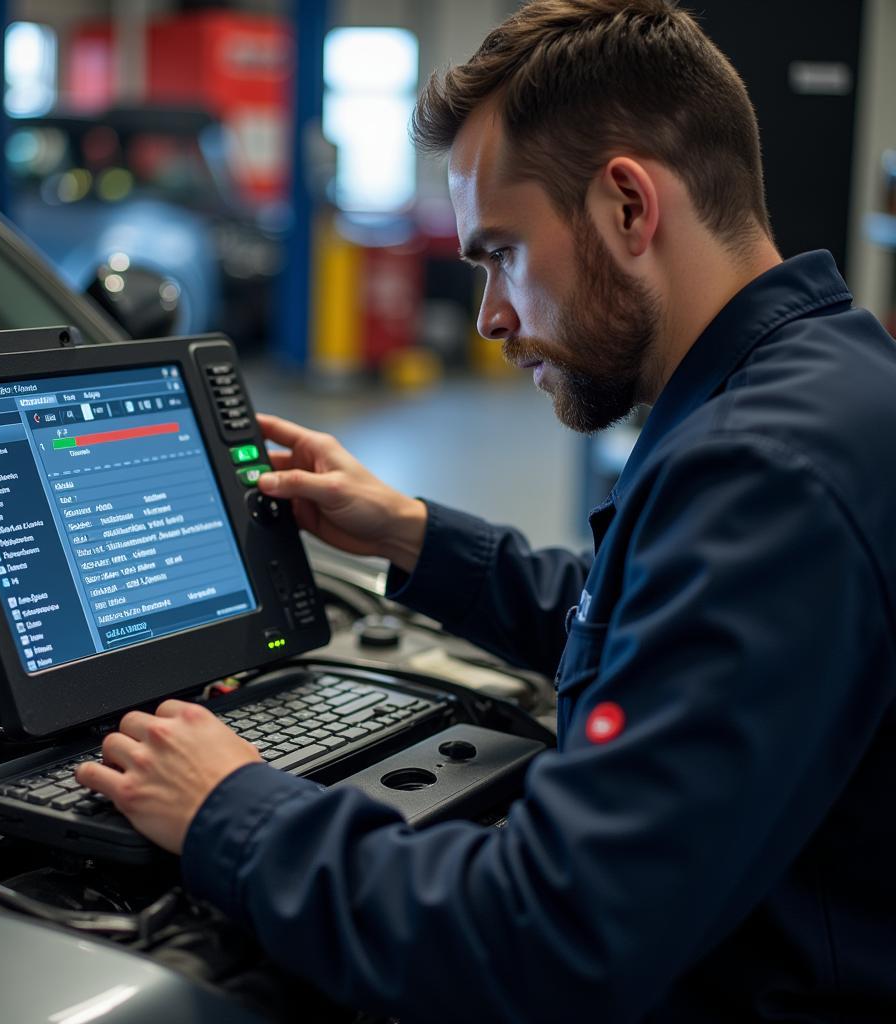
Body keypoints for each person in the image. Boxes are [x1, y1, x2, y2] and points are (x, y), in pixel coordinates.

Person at [78, 1, 896, 1020]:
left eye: (499, 252)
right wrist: (416, 534)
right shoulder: (826, 378)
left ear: (629, 208)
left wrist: (230, 806)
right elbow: (650, 630)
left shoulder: (760, 473)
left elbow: (542, 942)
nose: (490, 317)